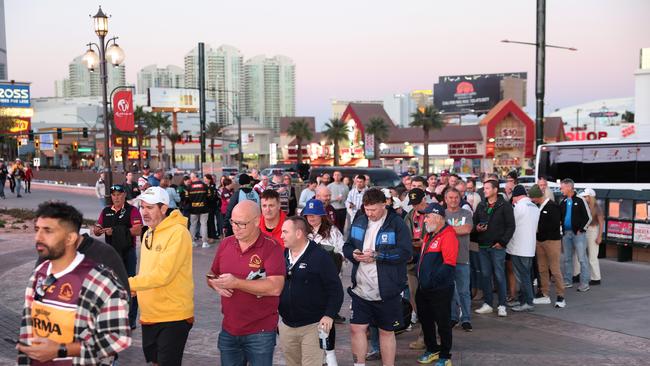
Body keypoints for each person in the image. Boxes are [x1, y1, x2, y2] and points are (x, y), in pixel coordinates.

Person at [17, 202, 131, 365]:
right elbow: (27, 329)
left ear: (71, 238)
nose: (38, 237)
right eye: (37, 230)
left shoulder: (100, 277)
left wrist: (62, 350)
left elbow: (118, 336)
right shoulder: (39, 273)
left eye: (48, 231)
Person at [207, 200, 285, 366]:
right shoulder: (226, 243)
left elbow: (276, 287)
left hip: (260, 332)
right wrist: (214, 284)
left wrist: (236, 283)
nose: (235, 227)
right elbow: (211, 275)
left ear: (257, 221)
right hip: (229, 329)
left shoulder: (271, 247)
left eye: (241, 223)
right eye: (233, 222)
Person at [343, 188, 412, 366]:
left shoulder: (396, 224)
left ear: (384, 204)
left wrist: (377, 256)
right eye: (367, 209)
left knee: (386, 331)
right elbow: (347, 246)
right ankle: (359, 364)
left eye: (373, 209)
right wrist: (354, 254)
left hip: (387, 290)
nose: (370, 214)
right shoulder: (359, 221)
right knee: (356, 328)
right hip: (360, 288)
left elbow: (405, 253)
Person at [130, 186, 195, 366]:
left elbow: (163, 275)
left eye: (150, 207)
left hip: (173, 316)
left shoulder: (178, 233)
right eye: (142, 207)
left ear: (164, 208)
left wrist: (128, 284)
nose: (144, 212)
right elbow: (147, 272)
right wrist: (136, 288)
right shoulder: (148, 233)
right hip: (149, 315)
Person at [278, 216, 344, 366]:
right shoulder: (283, 256)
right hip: (287, 326)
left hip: (312, 326)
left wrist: (329, 315)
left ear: (299, 233)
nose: (281, 236)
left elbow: (336, 290)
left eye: (285, 232)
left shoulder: (320, 257)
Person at [93, 184, 143, 329]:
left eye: (119, 194)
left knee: (130, 286)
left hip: (128, 252)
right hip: (110, 254)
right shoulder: (106, 211)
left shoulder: (132, 210)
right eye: (114, 195)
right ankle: (114, 316)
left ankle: (131, 319)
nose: (116, 197)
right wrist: (97, 229)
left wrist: (114, 231)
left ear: (124, 195)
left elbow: (138, 230)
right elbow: (97, 227)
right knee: (110, 285)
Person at [415, 203, 457, 366]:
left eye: (427, 216)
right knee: (425, 320)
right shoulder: (430, 234)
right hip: (424, 288)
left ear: (438, 218)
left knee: (443, 322)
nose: (425, 220)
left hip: (439, 289)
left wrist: (432, 282)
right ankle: (432, 349)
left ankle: (445, 356)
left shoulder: (448, 235)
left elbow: (449, 264)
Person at [473, 179, 515, 317]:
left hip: (497, 246)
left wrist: (502, 242)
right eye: (484, 188)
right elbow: (475, 223)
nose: (484, 190)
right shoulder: (481, 205)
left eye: (487, 188)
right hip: (483, 245)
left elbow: (511, 226)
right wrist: (477, 228)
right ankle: (488, 303)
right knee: (485, 275)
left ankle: (502, 305)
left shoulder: (504, 205)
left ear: (495, 190)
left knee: (499, 276)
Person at [528, 184, 566, 308]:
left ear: (537, 197)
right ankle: (544, 294)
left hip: (552, 242)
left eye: (533, 198)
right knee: (542, 269)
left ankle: (561, 296)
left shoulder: (553, 206)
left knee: (554, 270)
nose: (532, 200)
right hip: (540, 242)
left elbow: (554, 226)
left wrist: (539, 231)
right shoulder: (538, 206)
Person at [506, 185, 540, 312]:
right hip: (529, 247)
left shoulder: (519, 207)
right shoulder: (534, 207)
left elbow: (510, 224)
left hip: (518, 247)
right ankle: (523, 301)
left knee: (522, 276)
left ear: (516, 196)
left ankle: (528, 302)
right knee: (526, 274)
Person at [444, 188, 474, 331]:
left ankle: (466, 318)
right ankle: (452, 317)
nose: (453, 200)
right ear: (445, 199)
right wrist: (456, 229)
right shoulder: (442, 214)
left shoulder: (466, 213)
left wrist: (446, 229)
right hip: (446, 259)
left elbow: (467, 229)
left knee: (464, 291)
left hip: (462, 258)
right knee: (449, 290)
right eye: (450, 197)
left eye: (456, 197)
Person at [403, 188, 428, 344]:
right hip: (412, 260)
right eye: (413, 204)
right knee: (414, 295)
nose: (416, 206)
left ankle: (428, 332)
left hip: (427, 260)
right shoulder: (408, 216)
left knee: (428, 297)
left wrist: (423, 241)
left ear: (424, 200)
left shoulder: (433, 213)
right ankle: (423, 329)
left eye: (418, 203)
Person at [560, 178, 592, 292]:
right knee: (567, 259)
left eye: (562, 187)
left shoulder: (580, 200)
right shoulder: (563, 201)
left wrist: (581, 229)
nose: (561, 189)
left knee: (582, 259)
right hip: (566, 234)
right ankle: (568, 281)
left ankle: (584, 283)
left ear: (569, 187)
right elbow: (560, 218)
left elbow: (588, 217)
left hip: (578, 234)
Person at [578, 188, 604, 286]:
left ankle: (596, 278)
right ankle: (582, 275)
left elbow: (601, 223)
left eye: (585, 196)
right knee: (580, 255)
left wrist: (599, 236)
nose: (584, 198)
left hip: (593, 230)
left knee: (592, 256)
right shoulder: (585, 206)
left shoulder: (597, 207)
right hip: (584, 230)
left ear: (590, 197)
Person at [187, 172, 211, 248]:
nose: (190, 179)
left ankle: (192, 241)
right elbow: (209, 196)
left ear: (193, 177)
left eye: (191, 177)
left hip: (193, 209)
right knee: (204, 224)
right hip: (204, 208)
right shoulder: (204, 186)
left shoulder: (189, 186)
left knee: (193, 225)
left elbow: (187, 198)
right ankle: (204, 242)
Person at [205, 174, 222, 241]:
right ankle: (211, 236)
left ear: (209, 180)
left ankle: (212, 236)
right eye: (204, 179)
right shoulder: (206, 186)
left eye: (206, 179)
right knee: (209, 222)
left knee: (211, 222)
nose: (205, 180)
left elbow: (213, 198)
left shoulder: (213, 187)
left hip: (212, 207)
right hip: (207, 207)